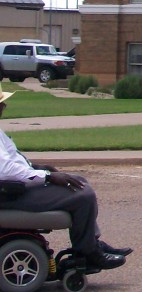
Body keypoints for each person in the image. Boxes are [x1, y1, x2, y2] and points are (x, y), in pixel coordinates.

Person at [0, 89, 130, 269]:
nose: (5, 106)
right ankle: (89, 252)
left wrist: (38, 168)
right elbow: (6, 171)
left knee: (79, 182)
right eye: (1, 104)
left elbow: (12, 164)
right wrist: (49, 176)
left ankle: (91, 242)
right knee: (83, 195)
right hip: (10, 193)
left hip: (13, 187)